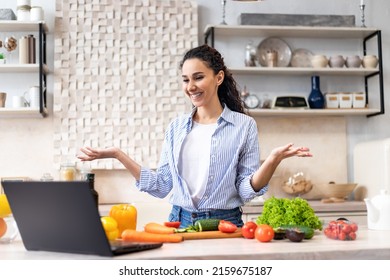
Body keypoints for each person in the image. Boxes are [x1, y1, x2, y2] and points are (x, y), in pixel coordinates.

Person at [77, 44, 312, 228]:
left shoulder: (244, 126)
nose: (191, 86)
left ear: (218, 78)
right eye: (186, 79)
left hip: (225, 224)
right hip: (178, 221)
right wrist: (119, 154)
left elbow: (245, 189)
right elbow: (161, 185)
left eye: (198, 77)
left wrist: (272, 160)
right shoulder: (176, 127)